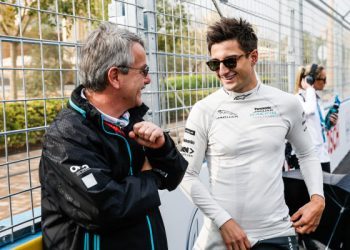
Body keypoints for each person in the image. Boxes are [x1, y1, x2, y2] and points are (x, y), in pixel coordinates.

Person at [39, 22, 188, 250]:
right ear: (115, 76)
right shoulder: (66, 136)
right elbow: (104, 208)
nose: (148, 80)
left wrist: (162, 147)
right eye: (144, 71)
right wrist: (149, 177)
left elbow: (173, 177)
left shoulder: (131, 120)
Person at [180, 18, 325, 250]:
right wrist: (224, 221)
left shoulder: (286, 104)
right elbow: (186, 175)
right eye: (214, 64)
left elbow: (307, 153)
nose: (222, 71)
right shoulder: (204, 109)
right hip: (221, 237)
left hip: (275, 232)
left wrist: (318, 199)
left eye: (230, 61)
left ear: (253, 57)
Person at [294, 64, 338, 173]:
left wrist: (329, 124)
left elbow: (319, 129)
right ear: (311, 80)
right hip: (309, 159)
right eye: (323, 79)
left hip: (322, 156)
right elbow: (309, 110)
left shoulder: (316, 100)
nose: (325, 82)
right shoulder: (297, 100)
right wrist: (309, 88)